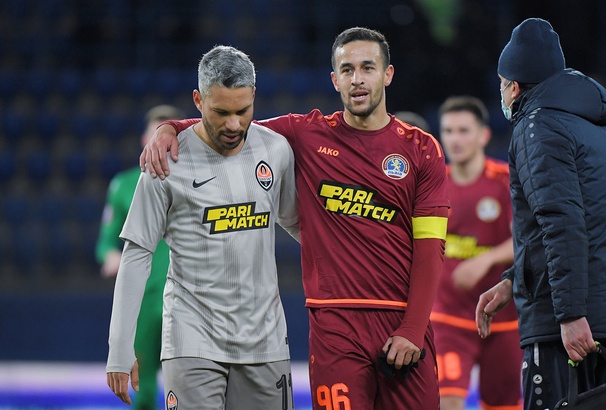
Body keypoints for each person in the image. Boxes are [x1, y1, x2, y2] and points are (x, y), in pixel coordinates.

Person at [141, 27, 449, 409]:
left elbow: (430, 249)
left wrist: (414, 329)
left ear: (387, 74)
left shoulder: (422, 150)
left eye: (368, 68)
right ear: (334, 79)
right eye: (347, 69)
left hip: (402, 321)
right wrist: (170, 128)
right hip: (335, 326)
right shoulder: (306, 134)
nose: (357, 78)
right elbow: (231, 126)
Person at [106, 45, 299, 409]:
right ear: (198, 100)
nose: (233, 124)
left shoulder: (276, 149)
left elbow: (299, 223)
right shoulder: (165, 160)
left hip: (266, 341)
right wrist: (119, 346)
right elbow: (136, 254)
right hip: (191, 340)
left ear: (254, 96)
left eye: (243, 111)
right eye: (221, 112)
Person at [475, 18, 606, 410]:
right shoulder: (594, 123)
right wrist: (513, 280)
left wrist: (570, 315)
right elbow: (588, 221)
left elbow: (561, 223)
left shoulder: (536, 126)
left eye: (502, 83)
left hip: (571, 325)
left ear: (514, 86)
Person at [430, 96, 521, 410]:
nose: (455, 139)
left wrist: (487, 258)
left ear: (483, 135)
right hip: (448, 316)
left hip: (503, 317)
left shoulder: (506, 181)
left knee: (503, 405)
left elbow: (526, 240)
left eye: (463, 130)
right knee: (446, 400)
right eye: (448, 131)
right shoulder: (433, 184)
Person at [96, 104, 184, 410]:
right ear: (145, 139)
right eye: (156, 134)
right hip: (145, 301)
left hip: (187, 298)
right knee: (143, 389)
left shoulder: (196, 180)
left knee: (190, 387)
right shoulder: (124, 185)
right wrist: (110, 255)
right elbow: (105, 240)